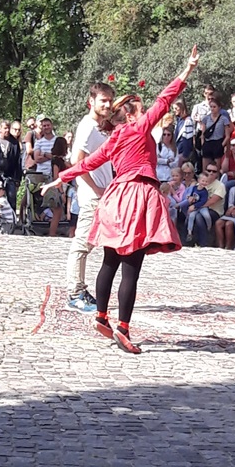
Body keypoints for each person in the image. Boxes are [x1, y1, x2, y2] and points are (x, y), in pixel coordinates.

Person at [42, 46, 200, 353]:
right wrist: (188, 68)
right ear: (129, 113)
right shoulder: (140, 127)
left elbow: (84, 164)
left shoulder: (113, 139)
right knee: (131, 267)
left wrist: (58, 179)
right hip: (138, 195)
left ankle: (102, 316)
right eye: (138, 107)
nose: (143, 110)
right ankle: (123, 329)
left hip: (115, 198)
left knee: (109, 261)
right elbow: (166, 98)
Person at [65, 84, 115, 311]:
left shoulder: (100, 128)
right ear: (91, 101)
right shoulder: (87, 127)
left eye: (109, 100)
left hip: (103, 191)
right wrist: (95, 188)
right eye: (103, 100)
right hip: (92, 194)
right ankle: (75, 292)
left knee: (96, 243)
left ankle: (81, 289)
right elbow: (77, 160)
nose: (107, 104)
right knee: (82, 244)